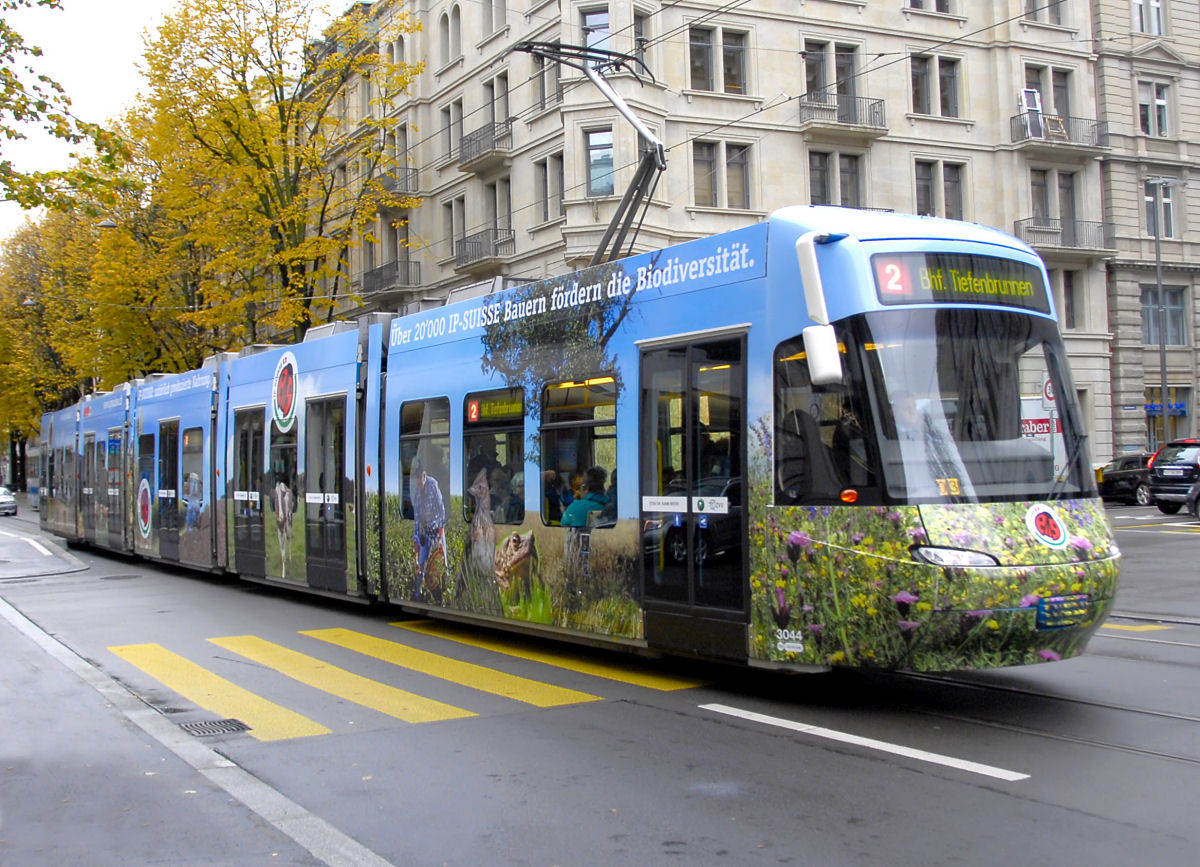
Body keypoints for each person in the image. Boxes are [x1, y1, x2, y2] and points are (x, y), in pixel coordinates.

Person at [410, 456, 449, 599]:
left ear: (424, 475)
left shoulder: (433, 486)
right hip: (425, 532)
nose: (418, 483)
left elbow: (441, 512)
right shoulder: (417, 494)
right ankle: (417, 594)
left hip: (437, 530)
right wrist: (416, 552)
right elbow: (417, 522)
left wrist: (439, 538)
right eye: (416, 480)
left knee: (443, 563)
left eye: (420, 479)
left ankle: (444, 594)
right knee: (420, 563)